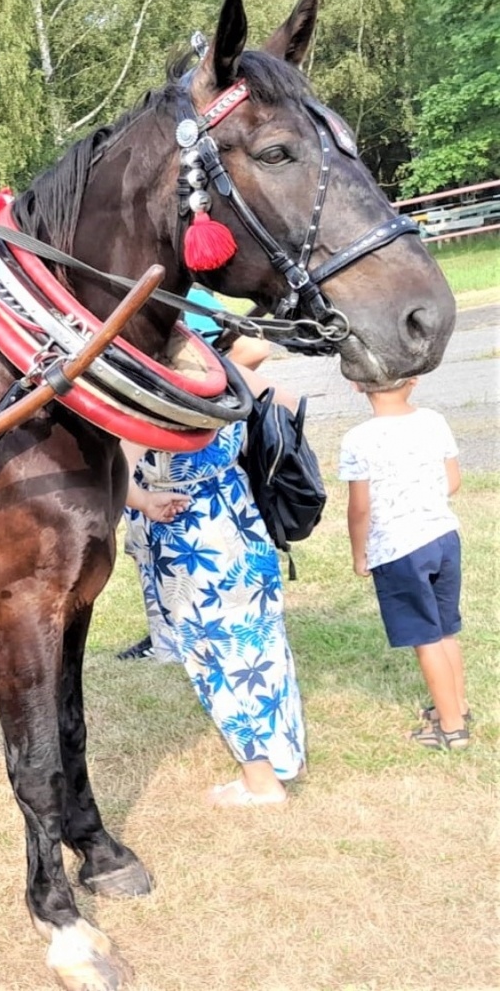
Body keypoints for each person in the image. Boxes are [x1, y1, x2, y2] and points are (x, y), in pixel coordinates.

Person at [117, 315, 307, 807]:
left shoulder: (154, 401)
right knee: (264, 649)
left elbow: (118, 472)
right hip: (242, 522)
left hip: (190, 546)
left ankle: (261, 781)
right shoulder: (227, 380)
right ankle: (284, 758)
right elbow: (288, 405)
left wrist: (145, 501)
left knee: (216, 660)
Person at [339, 377, 469, 750]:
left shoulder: (357, 439)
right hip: (444, 536)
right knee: (446, 629)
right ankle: (457, 704)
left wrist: (359, 552)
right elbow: (453, 480)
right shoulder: (433, 420)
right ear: (414, 379)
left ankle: (451, 727)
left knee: (424, 638)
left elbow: (360, 508)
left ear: (356, 385)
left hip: (399, 549)